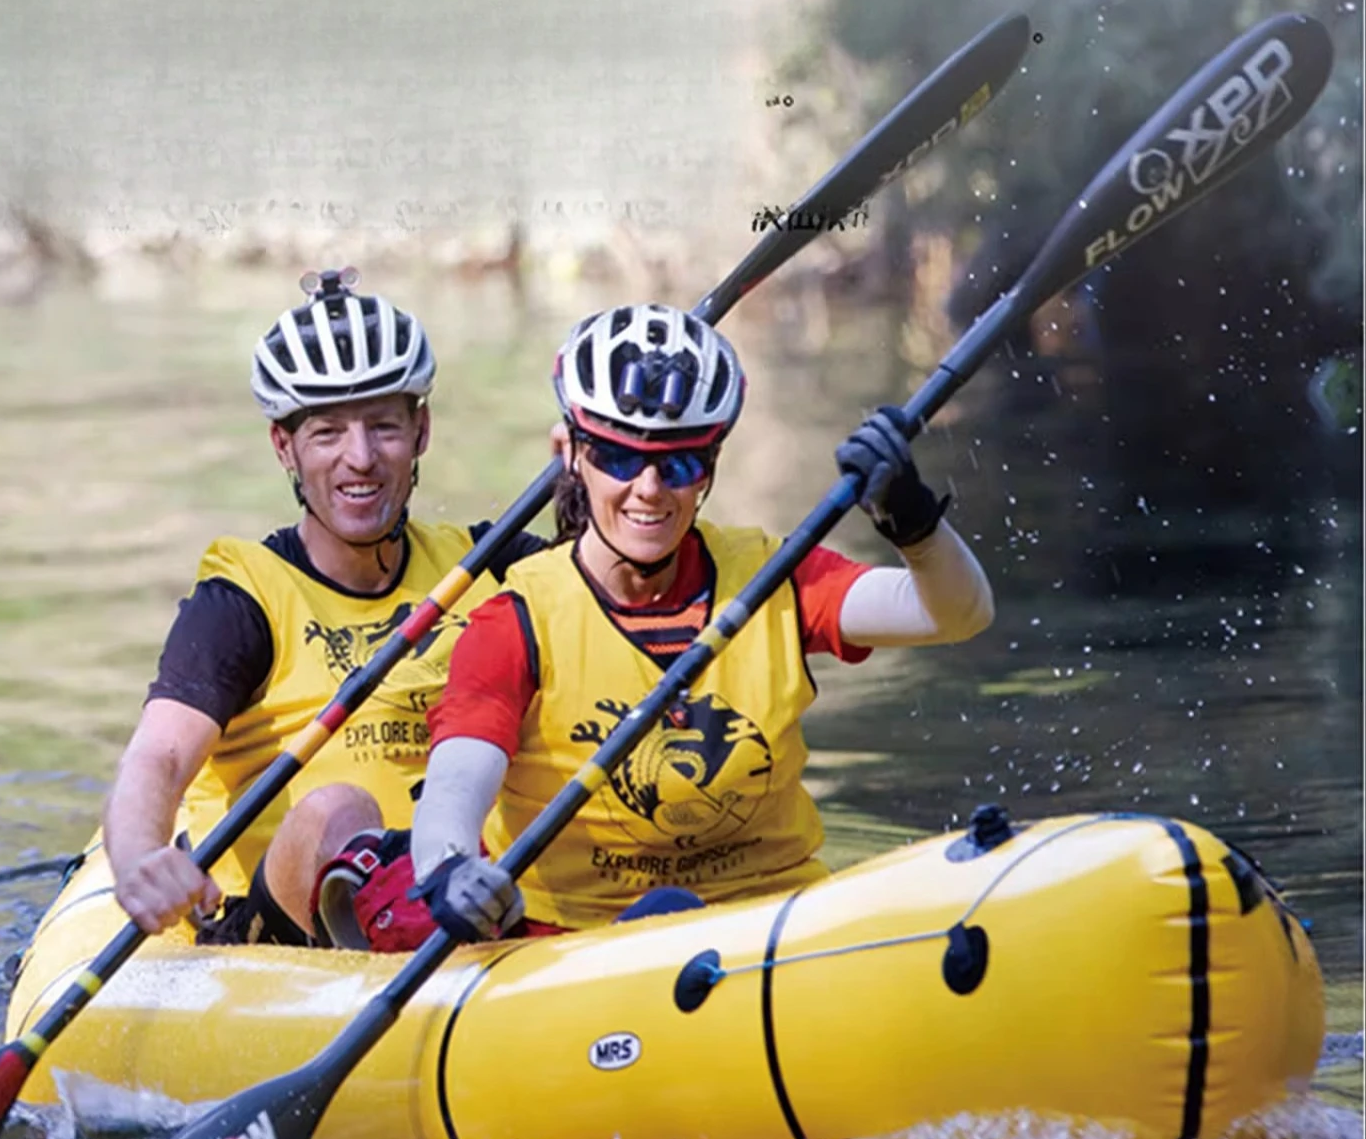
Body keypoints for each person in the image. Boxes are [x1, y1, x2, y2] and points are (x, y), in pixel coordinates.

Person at [405, 302, 996, 943]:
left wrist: (912, 521)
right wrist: (450, 867)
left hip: (776, 925)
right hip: (578, 948)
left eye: (680, 464)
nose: (651, 489)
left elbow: (958, 614)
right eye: (619, 459)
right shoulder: (515, 621)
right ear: (572, 454)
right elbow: (452, 793)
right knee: (666, 916)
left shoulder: (776, 576)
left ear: (709, 467)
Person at [100, 267, 541, 950]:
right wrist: (137, 859)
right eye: (328, 432)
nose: (360, 458)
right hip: (286, 930)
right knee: (340, 806)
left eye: (384, 428)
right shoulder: (243, 596)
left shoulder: (491, 564)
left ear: (421, 432)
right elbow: (157, 756)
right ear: (286, 447)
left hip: (469, 890)